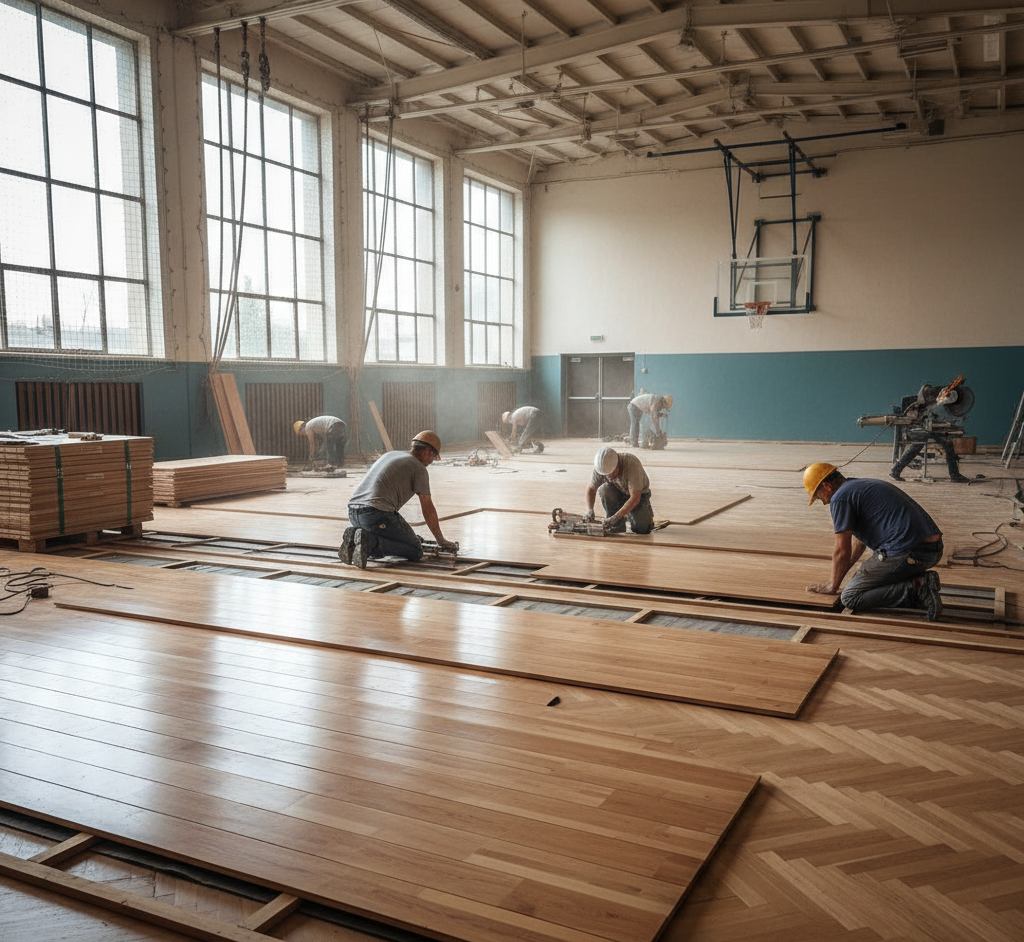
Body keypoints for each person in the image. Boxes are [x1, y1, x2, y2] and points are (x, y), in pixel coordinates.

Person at [803, 462, 944, 620]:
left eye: (818, 496)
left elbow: (842, 550)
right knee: (865, 579)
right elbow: (858, 544)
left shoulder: (839, 498)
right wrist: (842, 574)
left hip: (908, 551)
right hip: (933, 550)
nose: (824, 502)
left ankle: (918, 588)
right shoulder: (856, 487)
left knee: (850, 596)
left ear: (826, 486)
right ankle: (919, 582)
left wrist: (833, 585)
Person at [341, 430, 457, 569]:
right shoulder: (419, 468)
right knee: (415, 550)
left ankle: (355, 538)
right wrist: (440, 540)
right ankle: (370, 543)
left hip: (353, 513)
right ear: (427, 451)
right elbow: (427, 507)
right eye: (432, 458)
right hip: (375, 514)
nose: (430, 463)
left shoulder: (390, 454)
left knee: (405, 538)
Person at [889, 381, 970, 483]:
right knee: (929, 444)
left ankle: (895, 470)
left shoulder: (931, 401)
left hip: (927, 428)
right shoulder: (922, 404)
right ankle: (954, 475)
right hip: (918, 428)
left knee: (941, 443)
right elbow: (917, 419)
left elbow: (934, 416)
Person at [583, 446, 655, 534]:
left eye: (613, 472)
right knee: (605, 489)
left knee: (642, 529)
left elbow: (635, 497)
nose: (610, 476)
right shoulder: (601, 467)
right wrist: (589, 509)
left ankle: (639, 516)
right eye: (607, 474)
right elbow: (591, 489)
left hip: (639, 496)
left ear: (618, 463)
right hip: (618, 492)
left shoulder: (631, 464)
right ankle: (617, 525)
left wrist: (616, 517)